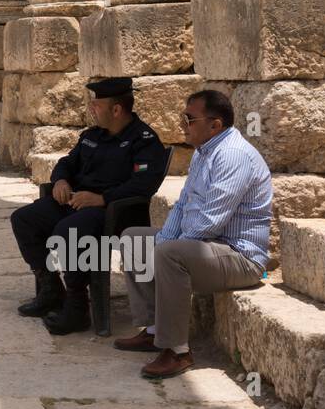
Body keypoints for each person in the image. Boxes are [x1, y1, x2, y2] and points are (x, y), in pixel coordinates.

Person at [115, 89, 272, 379]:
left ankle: (177, 351)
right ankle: (153, 330)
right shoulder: (204, 152)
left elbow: (211, 221)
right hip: (208, 248)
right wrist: (161, 242)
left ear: (215, 124)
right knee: (135, 240)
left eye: (189, 119)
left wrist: (165, 248)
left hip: (240, 257)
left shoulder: (233, 156)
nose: (182, 125)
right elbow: (183, 205)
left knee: (169, 253)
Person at [11, 77, 170, 335]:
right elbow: (67, 162)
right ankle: (50, 288)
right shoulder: (93, 135)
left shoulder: (143, 139)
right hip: (77, 202)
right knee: (24, 219)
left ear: (116, 110)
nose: (92, 110)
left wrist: (102, 199)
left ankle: (77, 306)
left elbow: (144, 184)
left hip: (114, 212)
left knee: (68, 232)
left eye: (96, 105)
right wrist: (60, 180)